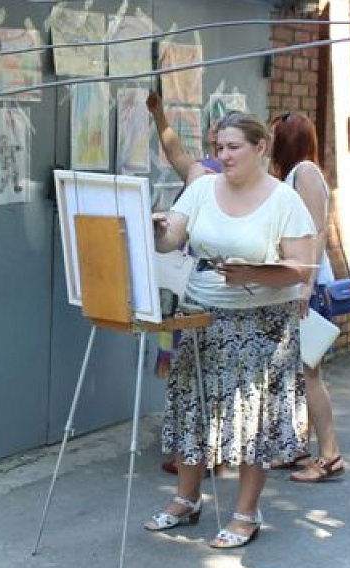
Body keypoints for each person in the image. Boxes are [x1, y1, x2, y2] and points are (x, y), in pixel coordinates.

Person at [143, 112, 316, 549]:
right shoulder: (202, 188)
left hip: (261, 325)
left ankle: (245, 512)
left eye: (233, 147)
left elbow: (301, 270)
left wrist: (252, 275)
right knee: (190, 407)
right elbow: (172, 240)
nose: (223, 156)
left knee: (250, 419)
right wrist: (156, 230)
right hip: (200, 315)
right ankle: (186, 499)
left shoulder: (284, 200)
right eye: (219, 147)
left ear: (260, 148)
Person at [147, 90, 223, 475]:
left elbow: (178, 156)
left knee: (200, 368)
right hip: (187, 280)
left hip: (206, 285)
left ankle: (202, 452)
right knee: (192, 366)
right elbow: (176, 151)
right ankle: (201, 449)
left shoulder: (213, 177)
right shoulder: (202, 171)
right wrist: (160, 117)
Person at [268, 112, 344, 482]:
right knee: (299, 371)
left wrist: (305, 286)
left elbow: (314, 233)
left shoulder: (305, 173)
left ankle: (330, 455)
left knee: (310, 372)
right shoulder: (299, 173)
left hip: (306, 286)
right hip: (301, 283)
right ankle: (299, 447)